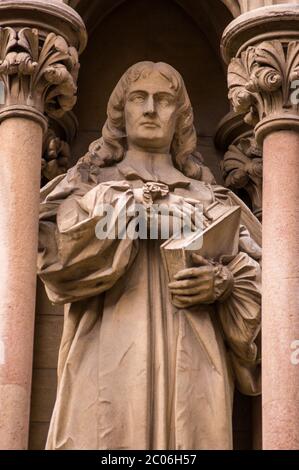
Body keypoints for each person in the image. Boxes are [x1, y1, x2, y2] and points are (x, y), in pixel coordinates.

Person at [38, 62, 262, 450]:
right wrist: (132, 214)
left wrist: (223, 284)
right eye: (138, 98)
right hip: (108, 359)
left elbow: (269, 292)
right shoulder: (86, 188)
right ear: (121, 112)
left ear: (182, 116)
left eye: (164, 100)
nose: (150, 109)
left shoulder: (212, 199)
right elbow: (54, 259)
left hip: (195, 364)